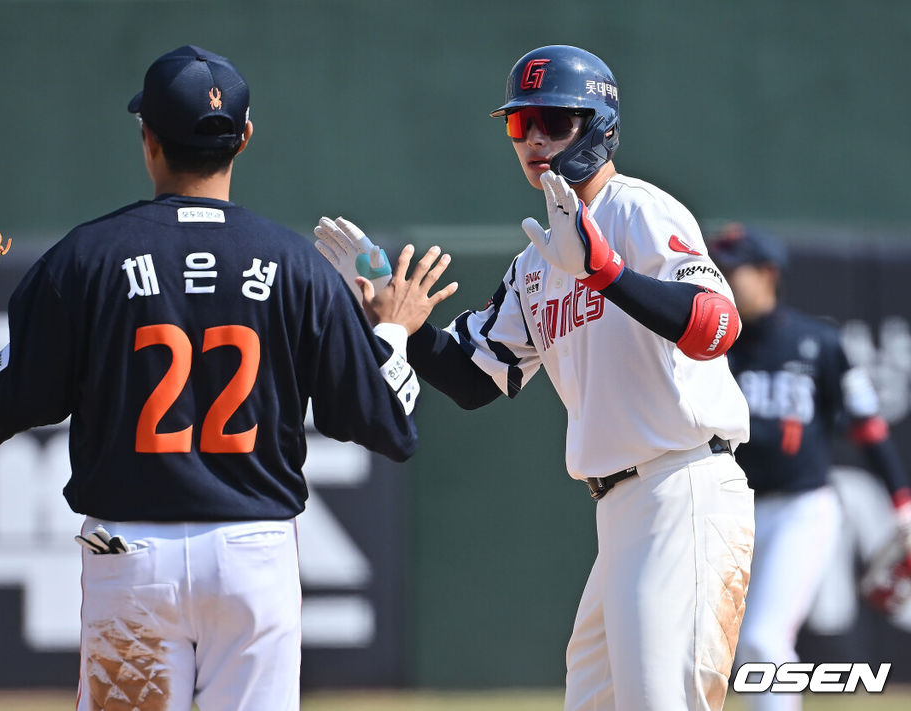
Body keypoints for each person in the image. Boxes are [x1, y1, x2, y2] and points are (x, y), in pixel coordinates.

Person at [0, 45, 456, 711]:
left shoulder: (84, 258)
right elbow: (388, 425)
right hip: (254, 556)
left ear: (148, 138)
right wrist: (391, 330)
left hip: (130, 555)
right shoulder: (298, 266)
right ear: (244, 138)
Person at [315, 45, 754, 711]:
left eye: (554, 121)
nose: (535, 140)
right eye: (521, 125)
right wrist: (401, 320)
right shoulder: (537, 259)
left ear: (600, 125)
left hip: (683, 487)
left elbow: (717, 326)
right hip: (620, 511)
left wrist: (605, 271)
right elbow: (474, 379)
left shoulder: (639, 210)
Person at [708, 224, 911, 711]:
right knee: (712, 648)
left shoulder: (818, 342)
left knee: (763, 639)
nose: (723, 280)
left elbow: (868, 426)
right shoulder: (708, 347)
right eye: (718, 270)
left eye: (733, 270)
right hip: (728, 513)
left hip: (799, 509)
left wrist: (901, 501)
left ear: (768, 273)